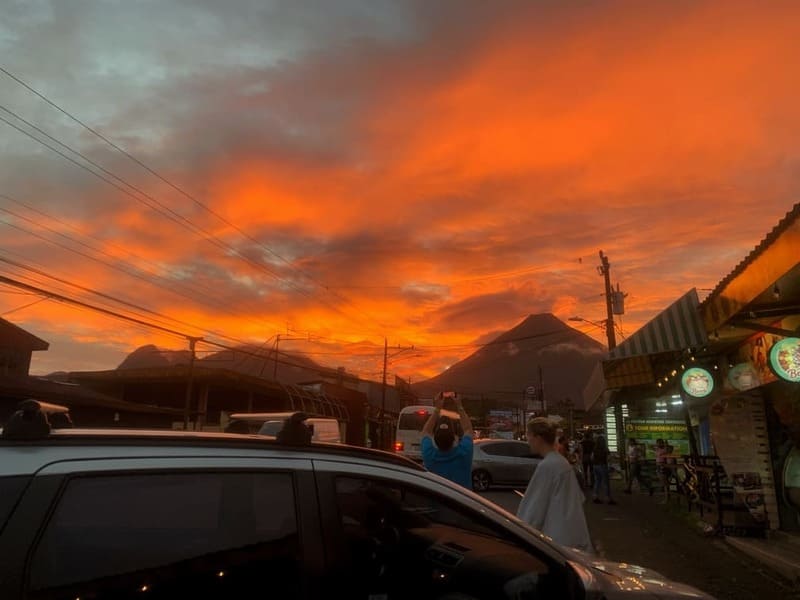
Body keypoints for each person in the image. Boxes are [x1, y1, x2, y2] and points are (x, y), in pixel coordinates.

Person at [516, 418, 593, 553]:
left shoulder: (548, 466)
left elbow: (533, 510)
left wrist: (520, 534)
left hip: (557, 543)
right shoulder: (561, 462)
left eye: (528, 436)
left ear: (538, 437)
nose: (527, 441)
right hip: (572, 537)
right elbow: (579, 498)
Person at [421, 392, 474, 489]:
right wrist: (459, 406)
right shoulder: (464, 453)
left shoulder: (429, 456)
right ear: (454, 438)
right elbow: (468, 429)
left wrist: (437, 409)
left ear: (435, 439)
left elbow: (426, 431)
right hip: (462, 503)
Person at [591, 435, 616, 505]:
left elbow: (592, 458)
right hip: (602, 466)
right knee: (606, 483)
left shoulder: (594, 448)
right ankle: (608, 498)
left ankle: (595, 496)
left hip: (595, 466)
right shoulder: (605, 448)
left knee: (597, 482)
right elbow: (609, 458)